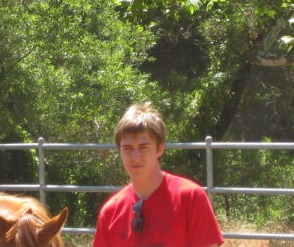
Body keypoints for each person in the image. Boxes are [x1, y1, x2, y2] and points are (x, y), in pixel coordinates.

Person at [93, 103, 223, 247]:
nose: (135, 157)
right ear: (119, 151)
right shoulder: (110, 212)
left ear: (160, 148)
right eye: (128, 148)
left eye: (144, 147)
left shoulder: (190, 197)